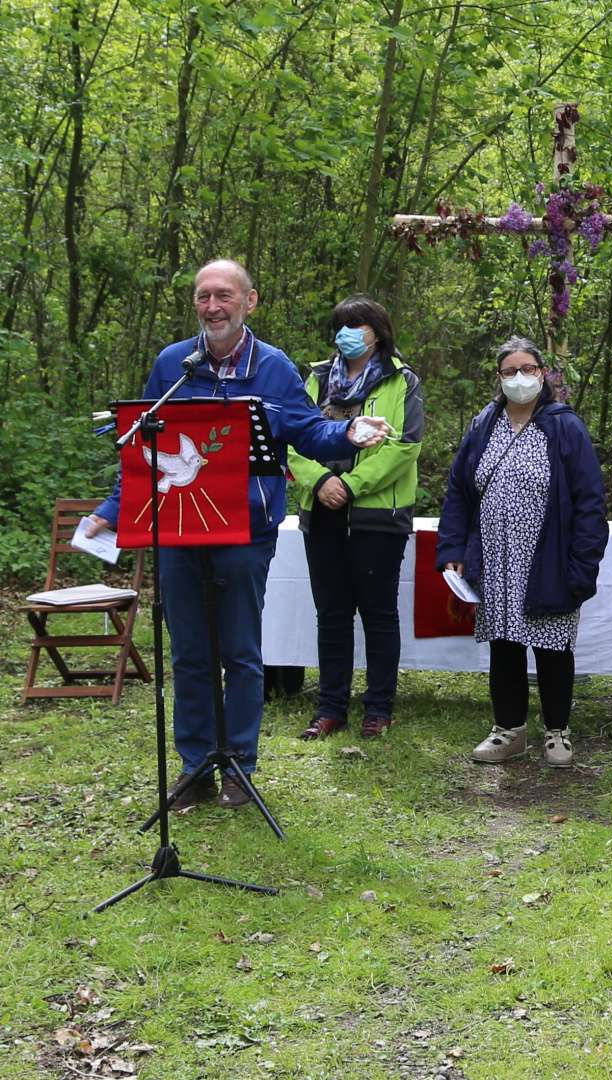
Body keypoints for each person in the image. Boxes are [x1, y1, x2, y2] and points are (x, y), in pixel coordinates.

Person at [84, 260, 389, 810]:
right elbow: (144, 445)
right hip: (178, 529)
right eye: (203, 297)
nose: (212, 306)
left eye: (224, 295)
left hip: (245, 529)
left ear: (251, 301)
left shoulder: (273, 368)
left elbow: (308, 430)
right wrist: (113, 508)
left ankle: (238, 769)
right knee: (191, 653)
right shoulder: (174, 364)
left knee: (242, 653)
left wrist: (348, 430)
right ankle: (195, 767)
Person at [437, 336, 606, 767]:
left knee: (552, 647)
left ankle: (557, 733)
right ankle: (508, 730)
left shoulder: (564, 426)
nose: (519, 377)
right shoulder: (484, 425)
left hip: (548, 558)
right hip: (494, 559)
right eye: (509, 370)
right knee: (505, 645)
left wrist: (582, 567)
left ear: (543, 372)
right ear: (498, 378)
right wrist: (453, 548)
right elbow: (458, 491)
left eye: (527, 368)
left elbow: (590, 501)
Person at [287, 295, 424, 742]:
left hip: (377, 517)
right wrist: (322, 479)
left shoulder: (401, 380)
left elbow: (404, 446)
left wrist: (351, 485)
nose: (347, 333)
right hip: (320, 513)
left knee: (379, 614)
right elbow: (292, 438)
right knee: (332, 613)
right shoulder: (317, 378)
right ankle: (330, 707)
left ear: (378, 332)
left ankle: (379, 707)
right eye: (341, 325)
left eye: (357, 325)